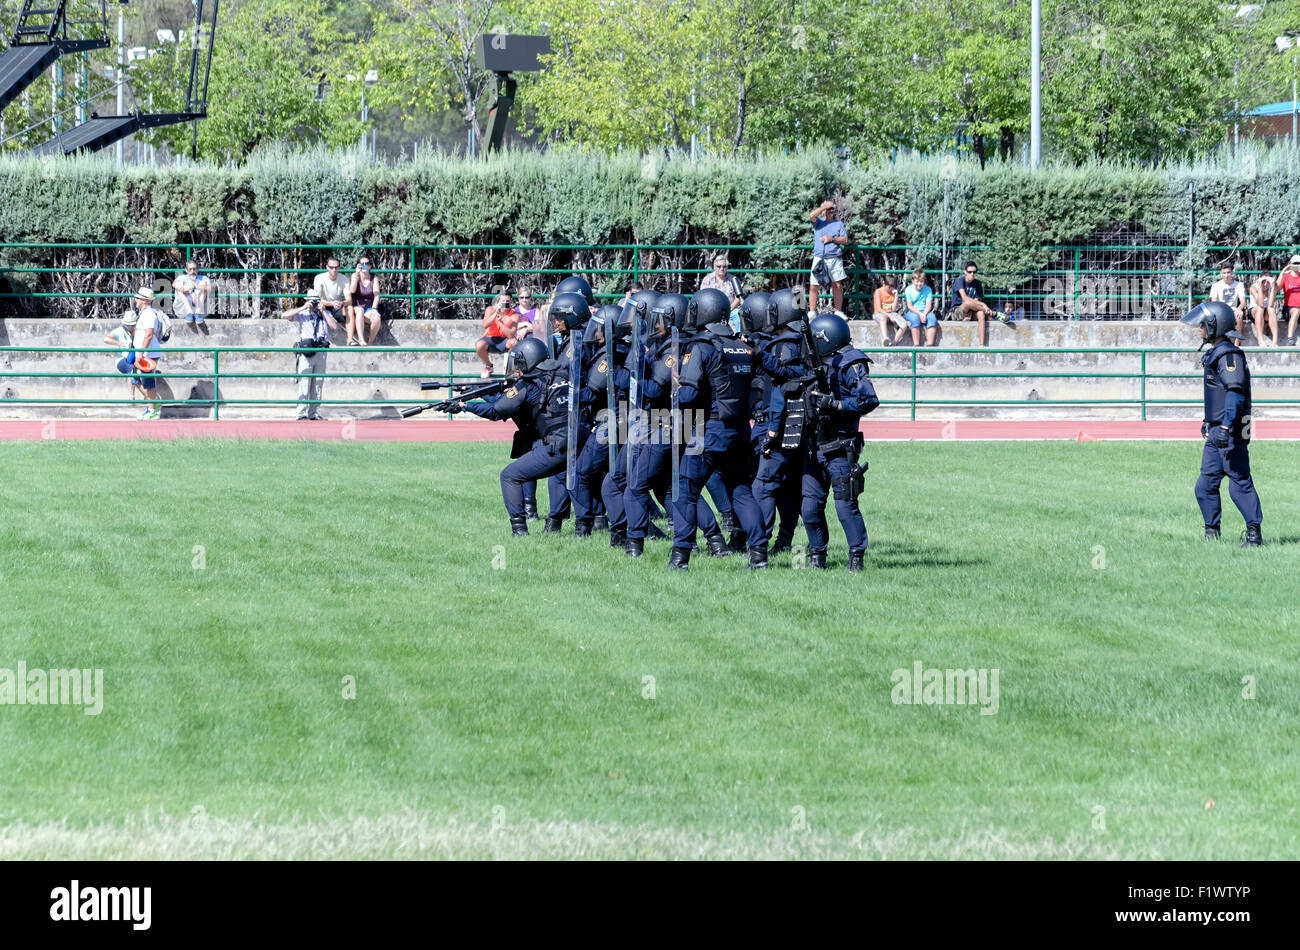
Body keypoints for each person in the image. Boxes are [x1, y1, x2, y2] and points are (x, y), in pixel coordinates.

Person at [667, 288, 802, 571]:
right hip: (740, 432)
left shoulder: (701, 346)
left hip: (708, 430)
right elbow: (770, 377)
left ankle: (680, 556)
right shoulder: (744, 346)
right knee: (741, 492)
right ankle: (759, 555)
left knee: (684, 489)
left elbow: (688, 396)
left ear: (702, 311)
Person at [445, 337, 558, 536]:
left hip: (550, 439)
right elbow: (502, 400)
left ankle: (521, 529)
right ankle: (555, 519)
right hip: (558, 436)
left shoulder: (527, 385)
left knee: (511, 475)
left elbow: (498, 410)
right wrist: (475, 392)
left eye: (520, 364)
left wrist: (465, 406)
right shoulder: (551, 378)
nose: (517, 369)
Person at [802, 313, 880, 571]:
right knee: (810, 506)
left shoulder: (851, 363)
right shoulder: (813, 364)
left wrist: (836, 404)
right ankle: (816, 556)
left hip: (840, 445)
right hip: (814, 445)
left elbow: (868, 400)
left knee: (845, 503)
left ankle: (856, 556)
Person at [1179, 300, 1262, 547]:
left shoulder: (1228, 355)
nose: (1200, 329)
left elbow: (1235, 393)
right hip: (1217, 430)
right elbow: (1218, 394)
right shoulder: (1216, 352)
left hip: (1231, 430)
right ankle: (1212, 534)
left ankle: (1254, 535)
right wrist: (1210, 421)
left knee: (1239, 484)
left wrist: (1226, 426)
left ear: (1216, 325)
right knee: (1205, 485)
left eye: (1204, 325)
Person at [748, 288, 812, 569]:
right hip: (801, 428)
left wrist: (771, 432)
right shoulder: (807, 340)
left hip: (780, 425)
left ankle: (759, 546)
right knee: (789, 487)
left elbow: (781, 390)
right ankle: (786, 539)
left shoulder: (784, 345)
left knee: (764, 486)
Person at [283, 289, 339, 421]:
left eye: (316, 301)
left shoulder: (325, 313)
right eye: (311, 301)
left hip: (321, 351)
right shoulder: (302, 313)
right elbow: (284, 315)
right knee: (304, 383)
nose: (314, 303)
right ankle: (301, 413)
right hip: (307, 351)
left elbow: (334, 326)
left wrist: (323, 310)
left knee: (318, 384)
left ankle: (313, 413)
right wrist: (303, 307)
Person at [103, 309, 149, 409]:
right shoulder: (120, 330)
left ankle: (149, 397)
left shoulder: (140, 330)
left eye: (132, 325)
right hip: (123, 359)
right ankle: (133, 396)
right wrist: (121, 344)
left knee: (146, 369)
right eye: (128, 325)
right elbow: (106, 339)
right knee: (131, 369)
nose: (130, 327)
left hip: (138, 358)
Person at [808, 200, 848, 314]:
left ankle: (838, 311)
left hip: (835, 258)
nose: (831, 211)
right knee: (814, 285)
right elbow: (811, 215)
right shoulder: (818, 222)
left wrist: (832, 239)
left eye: (832, 209)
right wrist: (824, 207)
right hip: (819, 258)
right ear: (823, 210)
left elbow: (845, 240)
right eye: (828, 209)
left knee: (837, 285)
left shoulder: (838, 224)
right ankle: (812, 311)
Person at [948, 261, 1002, 346]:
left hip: (971, 310)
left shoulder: (977, 283)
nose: (972, 274)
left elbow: (976, 302)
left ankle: (982, 345)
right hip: (957, 311)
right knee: (968, 303)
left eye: (974, 272)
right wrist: (983, 305)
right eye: (970, 272)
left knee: (981, 314)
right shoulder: (959, 281)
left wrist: (972, 311)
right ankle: (994, 313)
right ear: (965, 272)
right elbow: (965, 298)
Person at [131, 288, 165, 419]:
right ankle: (152, 405)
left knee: (148, 381)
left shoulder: (149, 314)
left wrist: (141, 352)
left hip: (148, 354)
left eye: (138, 298)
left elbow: (149, 334)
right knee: (136, 379)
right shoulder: (144, 313)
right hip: (144, 352)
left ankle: (152, 410)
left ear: (144, 300)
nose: (136, 300)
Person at [476, 293, 520, 378]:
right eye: (503, 301)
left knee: (514, 343)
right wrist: (495, 313)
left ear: (511, 302)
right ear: (498, 301)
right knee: (479, 345)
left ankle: (510, 369)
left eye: (507, 301)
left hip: (504, 340)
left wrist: (500, 321)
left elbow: (510, 335)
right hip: (490, 338)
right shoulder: (490, 309)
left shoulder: (514, 315)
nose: (505, 303)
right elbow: (485, 325)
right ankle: (488, 366)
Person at [347, 255, 383, 347]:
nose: (364, 265)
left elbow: (376, 295)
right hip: (356, 306)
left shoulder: (374, 278)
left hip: (368, 308)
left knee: (376, 318)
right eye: (362, 264)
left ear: (370, 266)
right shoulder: (354, 276)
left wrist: (374, 308)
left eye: (366, 264)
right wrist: (356, 275)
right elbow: (352, 290)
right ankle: (361, 339)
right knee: (360, 310)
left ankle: (370, 343)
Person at [313, 256, 351, 341]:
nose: (334, 270)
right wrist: (332, 303)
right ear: (327, 267)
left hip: (337, 306)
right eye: (331, 267)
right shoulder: (319, 278)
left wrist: (342, 303)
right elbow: (317, 299)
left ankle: (350, 339)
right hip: (323, 307)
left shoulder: (344, 279)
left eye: (336, 267)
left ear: (339, 267)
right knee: (316, 307)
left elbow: (349, 299)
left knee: (350, 308)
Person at [172, 259, 212, 329]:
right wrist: (188, 289)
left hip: (201, 310)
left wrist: (196, 287)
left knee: (203, 285)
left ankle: (197, 312)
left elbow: (210, 288)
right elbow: (174, 284)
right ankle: (189, 312)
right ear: (186, 270)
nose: (192, 271)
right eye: (190, 269)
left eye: (194, 269)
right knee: (180, 287)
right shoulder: (182, 277)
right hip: (184, 310)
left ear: (198, 269)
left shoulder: (203, 278)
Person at [1209, 264, 1247, 334]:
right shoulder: (1215, 286)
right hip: (1220, 310)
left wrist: (1239, 309)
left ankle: (1237, 343)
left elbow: (1243, 302)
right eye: (1224, 273)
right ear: (1221, 273)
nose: (1226, 275)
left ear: (1232, 273)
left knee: (1239, 316)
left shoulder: (1239, 285)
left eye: (1228, 272)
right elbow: (1213, 302)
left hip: (1233, 310)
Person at [903, 268, 937, 346]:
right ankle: (916, 346)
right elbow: (909, 306)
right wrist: (920, 314)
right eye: (917, 281)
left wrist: (924, 314)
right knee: (915, 319)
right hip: (912, 311)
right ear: (913, 281)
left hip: (925, 311)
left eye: (921, 281)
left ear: (924, 281)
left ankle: (930, 346)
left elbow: (928, 305)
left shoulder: (928, 289)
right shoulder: (908, 290)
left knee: (932, 319)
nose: (919, 284)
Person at [872, 275, 907, 347]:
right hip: (879, 313)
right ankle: (885, 339)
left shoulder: (892, 292)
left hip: (891, 313)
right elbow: (879, 309)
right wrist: (889, 316)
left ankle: (893, 343)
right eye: (889, 287)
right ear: (884, 284)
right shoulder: (878, 292)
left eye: (892, 287)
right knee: (883, 318)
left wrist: (896, 297)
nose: (890, 289)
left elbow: (893, 309)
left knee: (904, 324)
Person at [1250, 265, 1279, 348]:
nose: (1266, 284)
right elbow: (1260, 303)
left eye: (1268, 282)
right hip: (1254, 312)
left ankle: (1275, 341)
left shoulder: (1272, 287)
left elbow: (1270, 305)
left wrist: (1273, 287)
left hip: (1267, 313)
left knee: (1271, 309)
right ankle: (1260, 341)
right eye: (1263, 281)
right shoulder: (1253, 287)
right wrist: (1260, 286)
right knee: (1260, 308)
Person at [1281, 255, 1300, 345]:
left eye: (1298, 263)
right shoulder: (1286, 277)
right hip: (1289, 309)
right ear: (1290, 264)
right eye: (1295, 263)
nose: (1296, 265)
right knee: (1296, 311)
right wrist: (1283, 272)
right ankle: (1290, 338)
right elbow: (1276, 288)